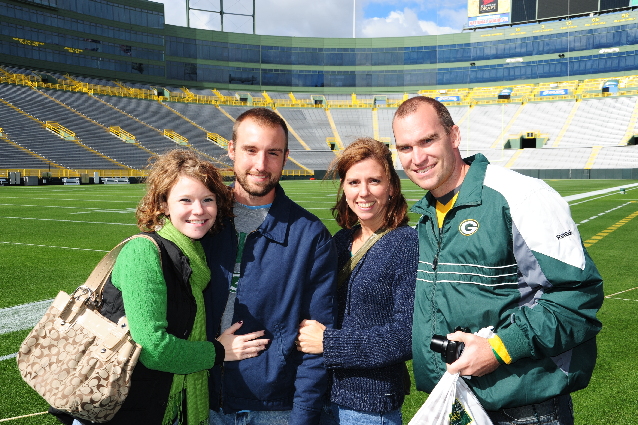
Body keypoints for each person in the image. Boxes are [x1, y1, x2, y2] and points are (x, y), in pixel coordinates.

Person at [391, 96, 604, 425]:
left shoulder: (521, 197)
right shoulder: (428, 216)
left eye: (427, 140)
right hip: (459, 406)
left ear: (455, 136)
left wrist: (500, 348)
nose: (417, 158)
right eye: (405, 148)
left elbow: (577, 298)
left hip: (525, 412)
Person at [52, 149, 234, 425]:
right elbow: (154, 349)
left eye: (207, 199)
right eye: (186, 200)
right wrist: (219, 351)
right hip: (114, 408)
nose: (199, 210)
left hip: (153, 406)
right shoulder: (144, 252)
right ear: (163, 204)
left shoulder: (196, 257)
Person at [202, 108, 337, 425]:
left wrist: (301, 419)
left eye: (273, 153)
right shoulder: (200, 222)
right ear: (232, 149)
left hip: (273, 411)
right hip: (199, 398)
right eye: (251, 150)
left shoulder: (310, 236)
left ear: (286, 156)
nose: (261, 165)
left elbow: (315, 343)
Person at [296, 138, 418, 425]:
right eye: (353, 182)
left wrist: (329, 343)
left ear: (391, 187)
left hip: (368, 408)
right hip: (321, 396)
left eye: (374, 181)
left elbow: (406, 336)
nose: (363, 192)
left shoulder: (407, 243)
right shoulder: (339, 241)